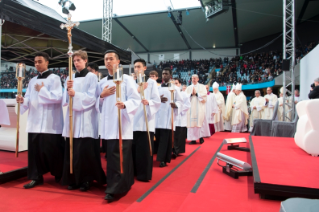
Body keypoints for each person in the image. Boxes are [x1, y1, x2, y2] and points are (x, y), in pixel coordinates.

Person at [97, 50, 140, 201]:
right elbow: (98, 105)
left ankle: (116, 188)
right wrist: (101, 96)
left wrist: (125, 104)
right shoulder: (102, 82)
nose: (108, 61)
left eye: (111, 59)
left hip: (122, 123)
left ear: (118, 61)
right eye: (105, 59)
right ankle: (121, 183)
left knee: (120, 157)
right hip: (108, 125)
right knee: (111, 157)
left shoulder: (127, 79)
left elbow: (136, 99)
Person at [17, 52, 64, 189]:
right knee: (35, 152)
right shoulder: (32, 81)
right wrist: (23, 100)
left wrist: (42, 90)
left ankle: (59, 174)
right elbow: (29, 99)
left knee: (53, 150)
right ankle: (36, 177)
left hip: (50, 121)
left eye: (39, 61)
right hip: (35, 121)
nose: (37, 64)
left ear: (47, 62)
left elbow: (58, 97)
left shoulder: (54, 78)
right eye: (35, 62)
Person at [61, 50, 106, 192]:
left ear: (86, 61)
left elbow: (93, 98)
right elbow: (65, 100)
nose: (76, 63)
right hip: (73, 118)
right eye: (74, 61)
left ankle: (86, 180)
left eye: (79, 60)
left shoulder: (92, 77)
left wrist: (76, 94)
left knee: (85, 152)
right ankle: (73, 178)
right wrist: (67, 90)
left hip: (86, 118)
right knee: (72, 151)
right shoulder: (70, 77)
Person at [132, 59, 161, 181]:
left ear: (144, 68)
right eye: (135, 67)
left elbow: (157, 101)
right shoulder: (131, 82)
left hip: (145, 120)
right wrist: (137, 91)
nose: (136, 69)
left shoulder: (152, 83)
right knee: (133, 149)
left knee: (144, 148)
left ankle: (144, 174)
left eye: (139, 66)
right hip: (133, 120)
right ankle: (133, 172)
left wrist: (148, 102)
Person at [155, 68, 183, 167]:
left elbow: (180, 101)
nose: (164, 75)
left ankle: (162, 159)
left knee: (165, 139)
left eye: (166, 74)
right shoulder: (157, 88)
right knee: (158, 139)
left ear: (170, 76)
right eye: (163, 74)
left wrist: (175, 105)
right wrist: (158, 99)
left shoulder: (174, 88)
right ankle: (159, 156)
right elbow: (153, 100)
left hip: (167, 117)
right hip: (157, 117)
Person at [185, 74, 207, 144]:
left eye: (195, 78)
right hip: (191, 109)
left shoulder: (202, 87)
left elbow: (204, 96)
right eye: (192, 78)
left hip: (199, 108)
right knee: (191, 124)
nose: (193, 80)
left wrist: (197, 94)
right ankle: (193, 140)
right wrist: (191, 94)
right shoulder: (188, 88)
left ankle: (200, 138)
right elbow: (185, 97)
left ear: (198, 79)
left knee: (199, 123)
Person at [173, 78, 190, 158]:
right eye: (174, 83)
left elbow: (187, 105)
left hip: (181, 117)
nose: (175, 85)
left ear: (180, 84)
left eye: (176, 83)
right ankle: (173, 150)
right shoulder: (171, 93)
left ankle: (178, 150)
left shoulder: (184, 94)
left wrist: (179, 109)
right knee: (174, 136)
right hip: (173, 118)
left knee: (179, 136)